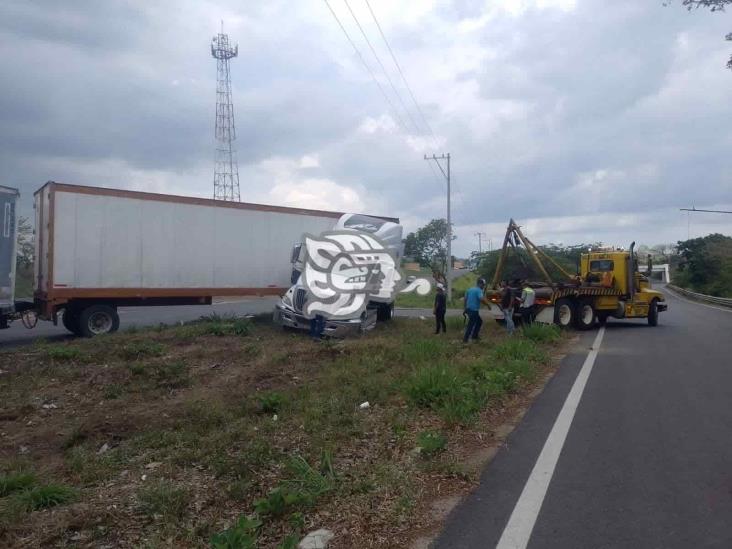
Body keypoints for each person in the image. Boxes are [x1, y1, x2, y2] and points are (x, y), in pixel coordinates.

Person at [463, 277, 488, 343]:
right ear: (480, 284)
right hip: (474, 310)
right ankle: (465, 339)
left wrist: (465, 308)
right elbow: (481, 299)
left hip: (469, 309)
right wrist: (488, 305)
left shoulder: (470, 289)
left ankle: (474, 336)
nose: (483, 286)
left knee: (479, 322)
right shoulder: (479, 290)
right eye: (483, 285)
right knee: (471, 324)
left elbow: (465, 299)